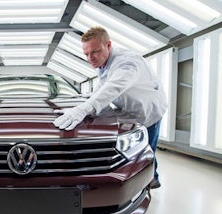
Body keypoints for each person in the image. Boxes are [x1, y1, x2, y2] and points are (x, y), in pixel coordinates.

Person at [53, 26, 167, 189]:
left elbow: (112, 87)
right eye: (86, 54)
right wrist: (81, 104)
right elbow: (102, 86)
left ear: (108, 45)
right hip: (130, 109)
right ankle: (152, 176)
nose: (90, 58)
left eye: (95, 52)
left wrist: (83, 109)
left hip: (148, 112)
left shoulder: (127, 62)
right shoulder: (105, 62)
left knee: (144, 151)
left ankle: (151, 180)